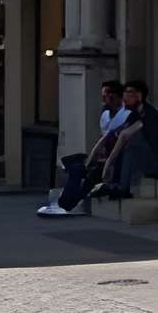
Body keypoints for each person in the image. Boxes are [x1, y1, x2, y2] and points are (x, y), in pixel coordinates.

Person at [38, 78, 129, 216]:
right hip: (106, 155)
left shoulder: (125, 114)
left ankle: (70, 203)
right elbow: (103, 140)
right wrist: (93, 159)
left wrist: (103, 161)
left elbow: (117, 141)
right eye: (103, 96)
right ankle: (68, 201)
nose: (104, 99)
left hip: (119, 158)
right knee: (72, 162)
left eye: (107, 95)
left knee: (83, 172)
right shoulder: (106, 114)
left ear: (116, 96)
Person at [92, 79, 158, 200]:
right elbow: (112, 134)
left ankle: (122, 188)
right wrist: (92, 159)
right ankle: (115, 185)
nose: (125, 98)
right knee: (123, 142)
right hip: (148, 160)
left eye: (129, 93)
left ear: (139, 96)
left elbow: (125, 135)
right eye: (125, 93)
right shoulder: (136, 113)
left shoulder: (148, 114)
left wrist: (109, 163)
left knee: (130, 142)